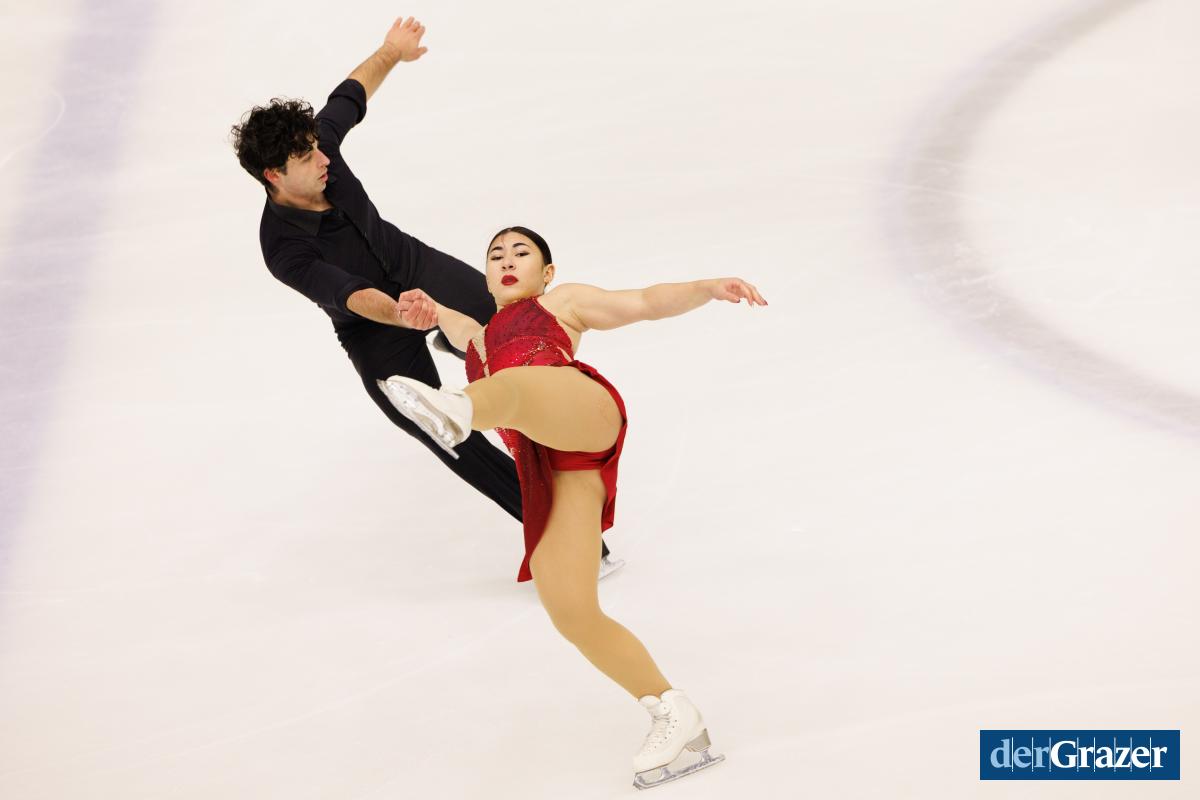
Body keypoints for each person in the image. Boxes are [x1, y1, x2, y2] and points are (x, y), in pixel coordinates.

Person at [229, 17, 622, 580]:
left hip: (411, 264)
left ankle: (567, 432)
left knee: (519, 329)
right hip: (373, 326)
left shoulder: (319, 148)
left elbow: (350, 95)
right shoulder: (282, 248)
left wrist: (391, 50)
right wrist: (404, 314)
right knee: (442, 431)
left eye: (317, 146)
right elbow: (349, 295)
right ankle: (569, 532)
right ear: (273, 174)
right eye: (307, 157)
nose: (323, 158)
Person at [377, 226, 768, 789]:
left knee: (514, 386)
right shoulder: (479, 339)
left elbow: (644, 301)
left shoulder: (561, 303)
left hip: (583, 413)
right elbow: (446, 319)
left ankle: (457, 411)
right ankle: (672, 709)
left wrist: (706, 287)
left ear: (546, 273)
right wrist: (426, 308)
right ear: (486, 276)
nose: (507, 260)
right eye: (496, 255)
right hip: (557, 472)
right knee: (570, 608)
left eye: (521, 253)